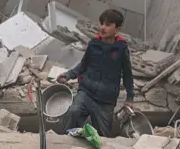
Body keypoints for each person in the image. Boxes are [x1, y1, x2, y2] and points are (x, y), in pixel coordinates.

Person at [57, 9, 134, 137]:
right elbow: (84, 64)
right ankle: (66, 144)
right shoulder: (94, 43)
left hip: (106, 101)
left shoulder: (121, 48)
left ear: (117, 29)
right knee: (73, 113)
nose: (103, 27)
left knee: (103, 136)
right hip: (86, 93)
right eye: (102, 23)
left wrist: (130, 97)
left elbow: (127, 74)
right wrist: (69, 74)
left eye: (108, 24)